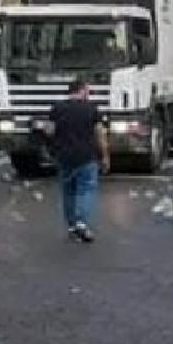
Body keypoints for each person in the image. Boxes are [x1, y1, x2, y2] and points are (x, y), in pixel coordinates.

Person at [46, 79, 109, 243]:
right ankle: (82, 222)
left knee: (68, 191)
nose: (89, 93)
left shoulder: (57, 108)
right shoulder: (92, 109)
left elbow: (49, 131)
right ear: (82, 91)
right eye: (88, 90)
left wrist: (53, 149)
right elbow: (100, 134)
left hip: (64, 157)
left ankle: (72, 225)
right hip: (87, 157)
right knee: (86, 189)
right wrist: (105, 156)